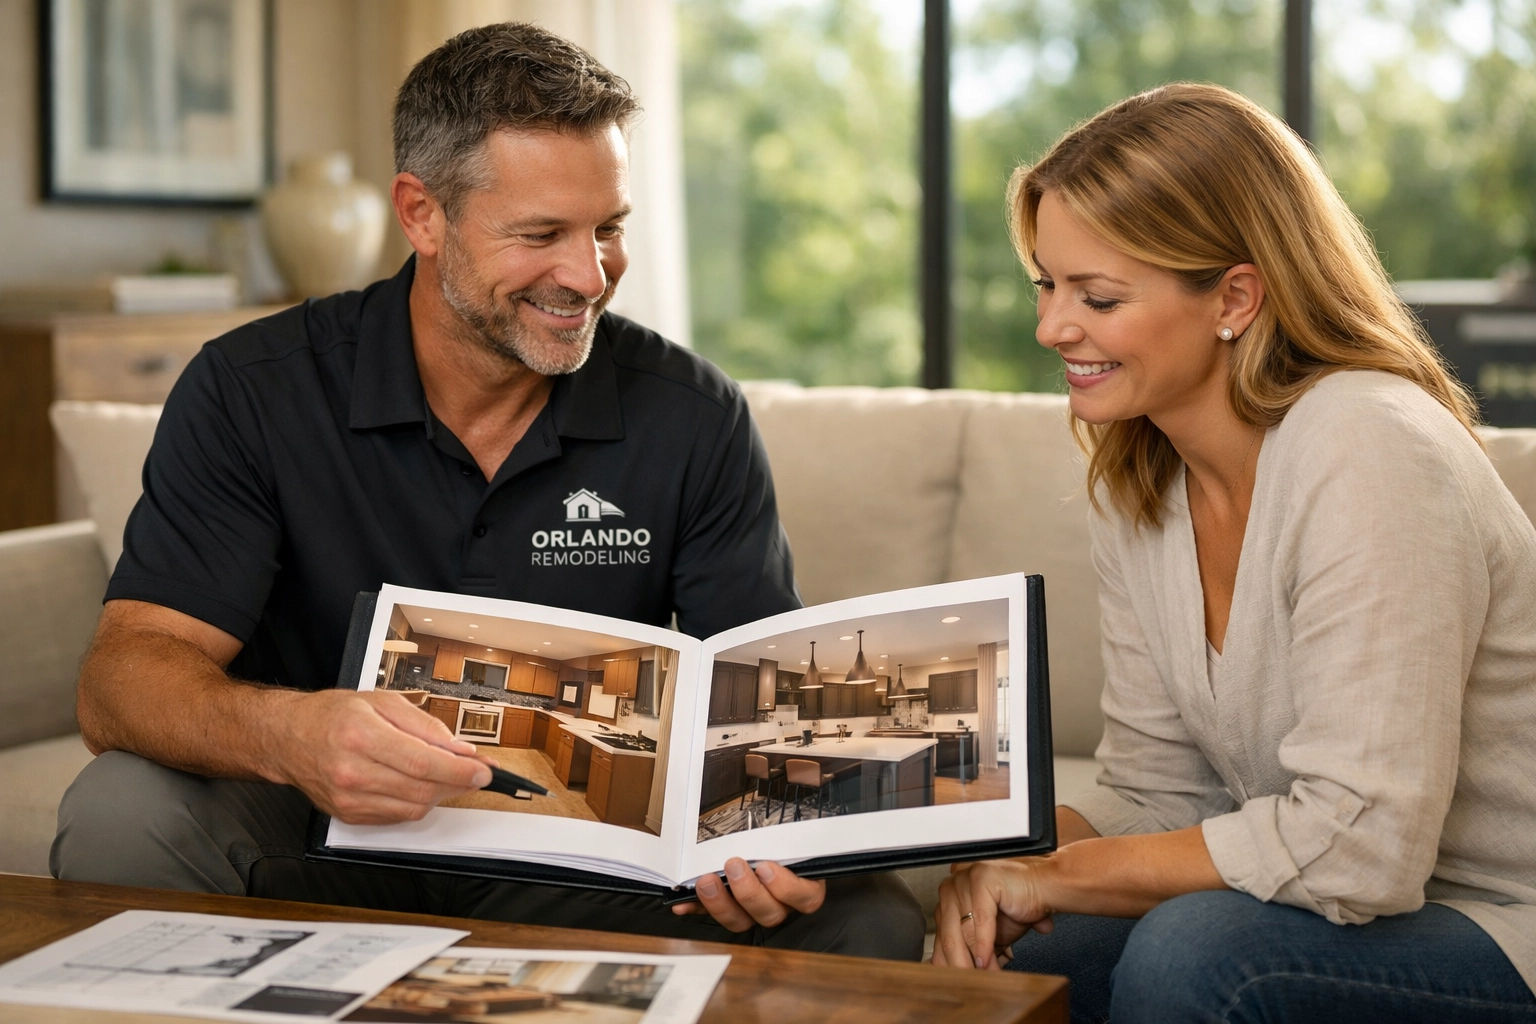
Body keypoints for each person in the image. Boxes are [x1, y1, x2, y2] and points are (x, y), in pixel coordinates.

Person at [51, 22, 923, 961]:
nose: (590, 276)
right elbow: (121, 681)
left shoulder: (693, 413)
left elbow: (750, 707)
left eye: (609, 228)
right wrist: (292, 733)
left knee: (864, 913)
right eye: (542, 234)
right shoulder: (252, 389)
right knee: (120, 810)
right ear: (421, 214)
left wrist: (770, 836)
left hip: (588, 864)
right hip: (320, 828)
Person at [931, 83, 1536, 1022]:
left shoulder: (1369, 446)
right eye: (1046, 285)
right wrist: (993, 862)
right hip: (1345, 908)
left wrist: (1056, 875)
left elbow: (1360, 846)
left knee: (1198, 955)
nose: (1052, 326)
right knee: (1020, 949)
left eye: (1097, 295)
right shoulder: (1144, 475)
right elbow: (1156, 794)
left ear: (1236, 297)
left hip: (1502, 919)